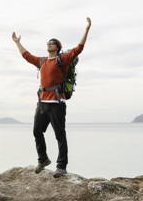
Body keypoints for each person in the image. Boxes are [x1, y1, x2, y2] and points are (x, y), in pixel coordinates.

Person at [12, 17, 91, 178]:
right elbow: (26, 56)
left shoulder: (63, 59)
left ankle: (61, 166)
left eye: (52, 42)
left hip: (57, 103)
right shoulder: (42, 61)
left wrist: (87, 29)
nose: (49, 44)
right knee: (36, 131)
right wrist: (17, 42)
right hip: (42, 103)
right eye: (48, 42)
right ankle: (43, 159)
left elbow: (79, 48)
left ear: (57, 47)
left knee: (59, 135)